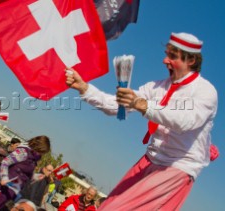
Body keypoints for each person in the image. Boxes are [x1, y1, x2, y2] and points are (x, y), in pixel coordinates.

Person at [65, 32, 218, 210]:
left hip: (177, 167)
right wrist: (85, 89)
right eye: (166, 54)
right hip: (149, 159)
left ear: (190, 60)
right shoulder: (156, 86)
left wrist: (142, 105)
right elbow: (118, 107)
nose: (165, 60)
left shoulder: (206, 92)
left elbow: (185, 121)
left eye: (172, 56)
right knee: (106, 205)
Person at [0, 135, 51, 211]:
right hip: (3, 188)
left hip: (14, 190)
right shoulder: (23, 152)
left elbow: (25, 174)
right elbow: (5, 162)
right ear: (38, 147)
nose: (41, 154)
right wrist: (4, 178)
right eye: (41, 152)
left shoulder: (33, 159)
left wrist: (36, 176)